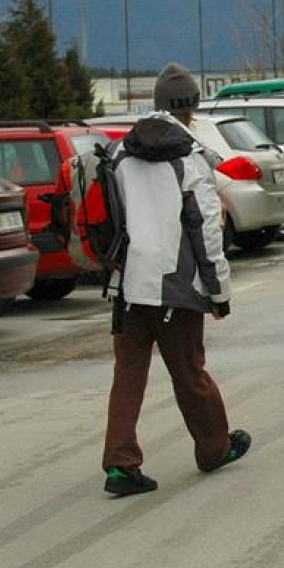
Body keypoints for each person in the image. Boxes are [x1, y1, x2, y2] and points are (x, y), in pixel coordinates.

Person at [101, 62, 251, 496]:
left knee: (128, 374)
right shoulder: (190, 159)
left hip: (128, 284)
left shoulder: (119, 153)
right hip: (175, 285)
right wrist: (219, 292)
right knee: (189, 372)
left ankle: (120, 467)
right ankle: (214, 449)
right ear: (192, 107)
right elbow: (207, 233)